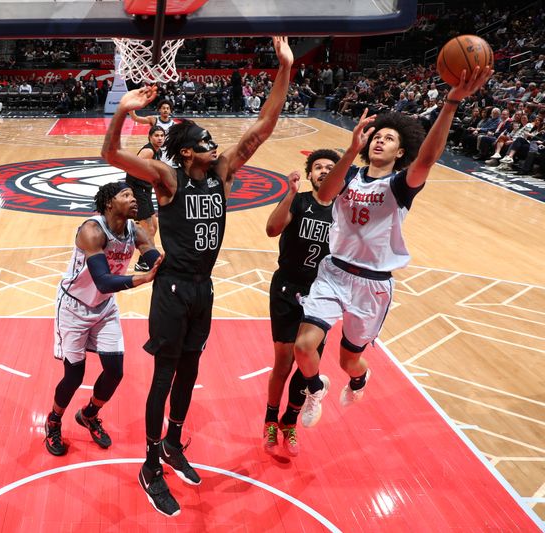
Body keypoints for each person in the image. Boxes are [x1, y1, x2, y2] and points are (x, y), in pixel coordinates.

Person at [102, 35, 293, 517]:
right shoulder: (167, 180)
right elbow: (111, 157)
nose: (215, 146)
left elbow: (264, 126)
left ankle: (172, 442)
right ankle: (148, 463)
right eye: (205, 143)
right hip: (171, 287)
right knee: (164, 375)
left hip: (204, 288)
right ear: (187, 154)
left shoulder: (223, 173)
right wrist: (123, 113)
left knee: (190, 370)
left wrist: (284, 67)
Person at [293, 66, 493, 428]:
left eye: (389, 138)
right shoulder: (350, 174)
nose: (380, 140)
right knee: (304, 346)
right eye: (377, 136)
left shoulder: (401, 185)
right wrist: (351, 149)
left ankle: (359, 379)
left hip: (372, 285)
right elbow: (323, 195)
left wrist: (451, 102)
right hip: (334, 271)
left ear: (402, 152)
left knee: (347, 360)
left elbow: (428, 158)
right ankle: (313, 387)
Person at [44, 182, 163, 456]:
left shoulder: (137, 231)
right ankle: (53, 421)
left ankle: (88, 414)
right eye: (126, 195)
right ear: (109, 203)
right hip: (74, 308)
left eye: (134, 196)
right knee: (74, 376)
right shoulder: (92, 231)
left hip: (104, 308)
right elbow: (102, 280)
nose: (134, 200)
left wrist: (177, 265)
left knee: (115, 370)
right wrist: (143, 278)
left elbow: (157, 260)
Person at [262, 149, 340, 456]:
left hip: (321, 293)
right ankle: (270, 418)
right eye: (317, 167)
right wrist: (289, 193)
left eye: (329, 168)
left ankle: (289, 421)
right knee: (283, 364)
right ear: (309, 175)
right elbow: (271, 229)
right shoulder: (299, 200)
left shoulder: (344, 212)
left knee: (307, 365)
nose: (323, 171)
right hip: (286, 287)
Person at [125, 125, 165, 273]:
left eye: (162, 135)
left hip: (145, 191)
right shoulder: (148, 151)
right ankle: (148, 262)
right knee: (148, 228)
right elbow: (132, 168)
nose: (160, 138)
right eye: (157, 135)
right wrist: (131, 193)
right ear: (150, 137)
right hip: (138, 192)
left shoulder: (157, 151)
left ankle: (143, 259)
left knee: (154, 226)